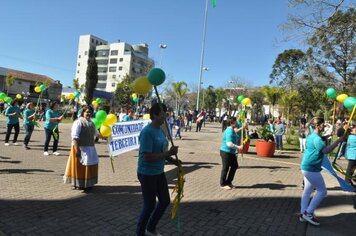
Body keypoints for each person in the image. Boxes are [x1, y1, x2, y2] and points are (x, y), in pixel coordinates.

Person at [136, 103, 180, 236]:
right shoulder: (147, 132)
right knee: (149, 206)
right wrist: (168, 154)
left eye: (166, 113)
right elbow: (147, 157)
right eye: (162, 113)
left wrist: (173, 161)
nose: (165, 116)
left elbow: (162, 152)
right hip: (147, 173)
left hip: (159, 172)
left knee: (165, 201)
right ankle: (139, 233)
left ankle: (150, 228)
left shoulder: (161, 131)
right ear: (154, 115)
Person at [300, 117, 347, 226]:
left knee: (307, 190)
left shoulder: (312, 136)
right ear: (318, 125)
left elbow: (320, 143)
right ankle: (308, 213)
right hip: (311, 169)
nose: (324, 126)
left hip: (307, 167)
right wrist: (339, 140)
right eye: (323, 124)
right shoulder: (316, 139)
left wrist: (326, 137)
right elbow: (327, 150)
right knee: (322, 191)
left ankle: (303, 213)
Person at [64, 106, 100, 192]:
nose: (89, 113)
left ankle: (88, 184)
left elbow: (96, 133)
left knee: (90, 165)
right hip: (80, 147)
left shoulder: (91, 123)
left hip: (90, 147)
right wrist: (77, 149)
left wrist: (106, 137)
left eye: (90, 112)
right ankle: (79, 184)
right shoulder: (78, 122)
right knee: (80, 167)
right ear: (83, 113)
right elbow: (74, 136)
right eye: (87, 112)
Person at [219, 117, 242, 190]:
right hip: (226, 152)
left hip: (231, 152)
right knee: (225, 168)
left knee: (234, 166)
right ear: (232, 123)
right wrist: (238, 147)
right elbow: (229, 143)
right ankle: (222, 184)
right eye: (235, 122)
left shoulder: (232, 130)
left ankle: (229, 182)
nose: (237, 124)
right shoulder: (229, 131)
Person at [344, 122, 356, 187]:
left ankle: (349, 181)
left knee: (351, 169)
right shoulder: (352, 137)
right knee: (350, 170)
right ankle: (347, 182)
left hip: (352, 156)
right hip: (353, 156)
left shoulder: (351, 136)